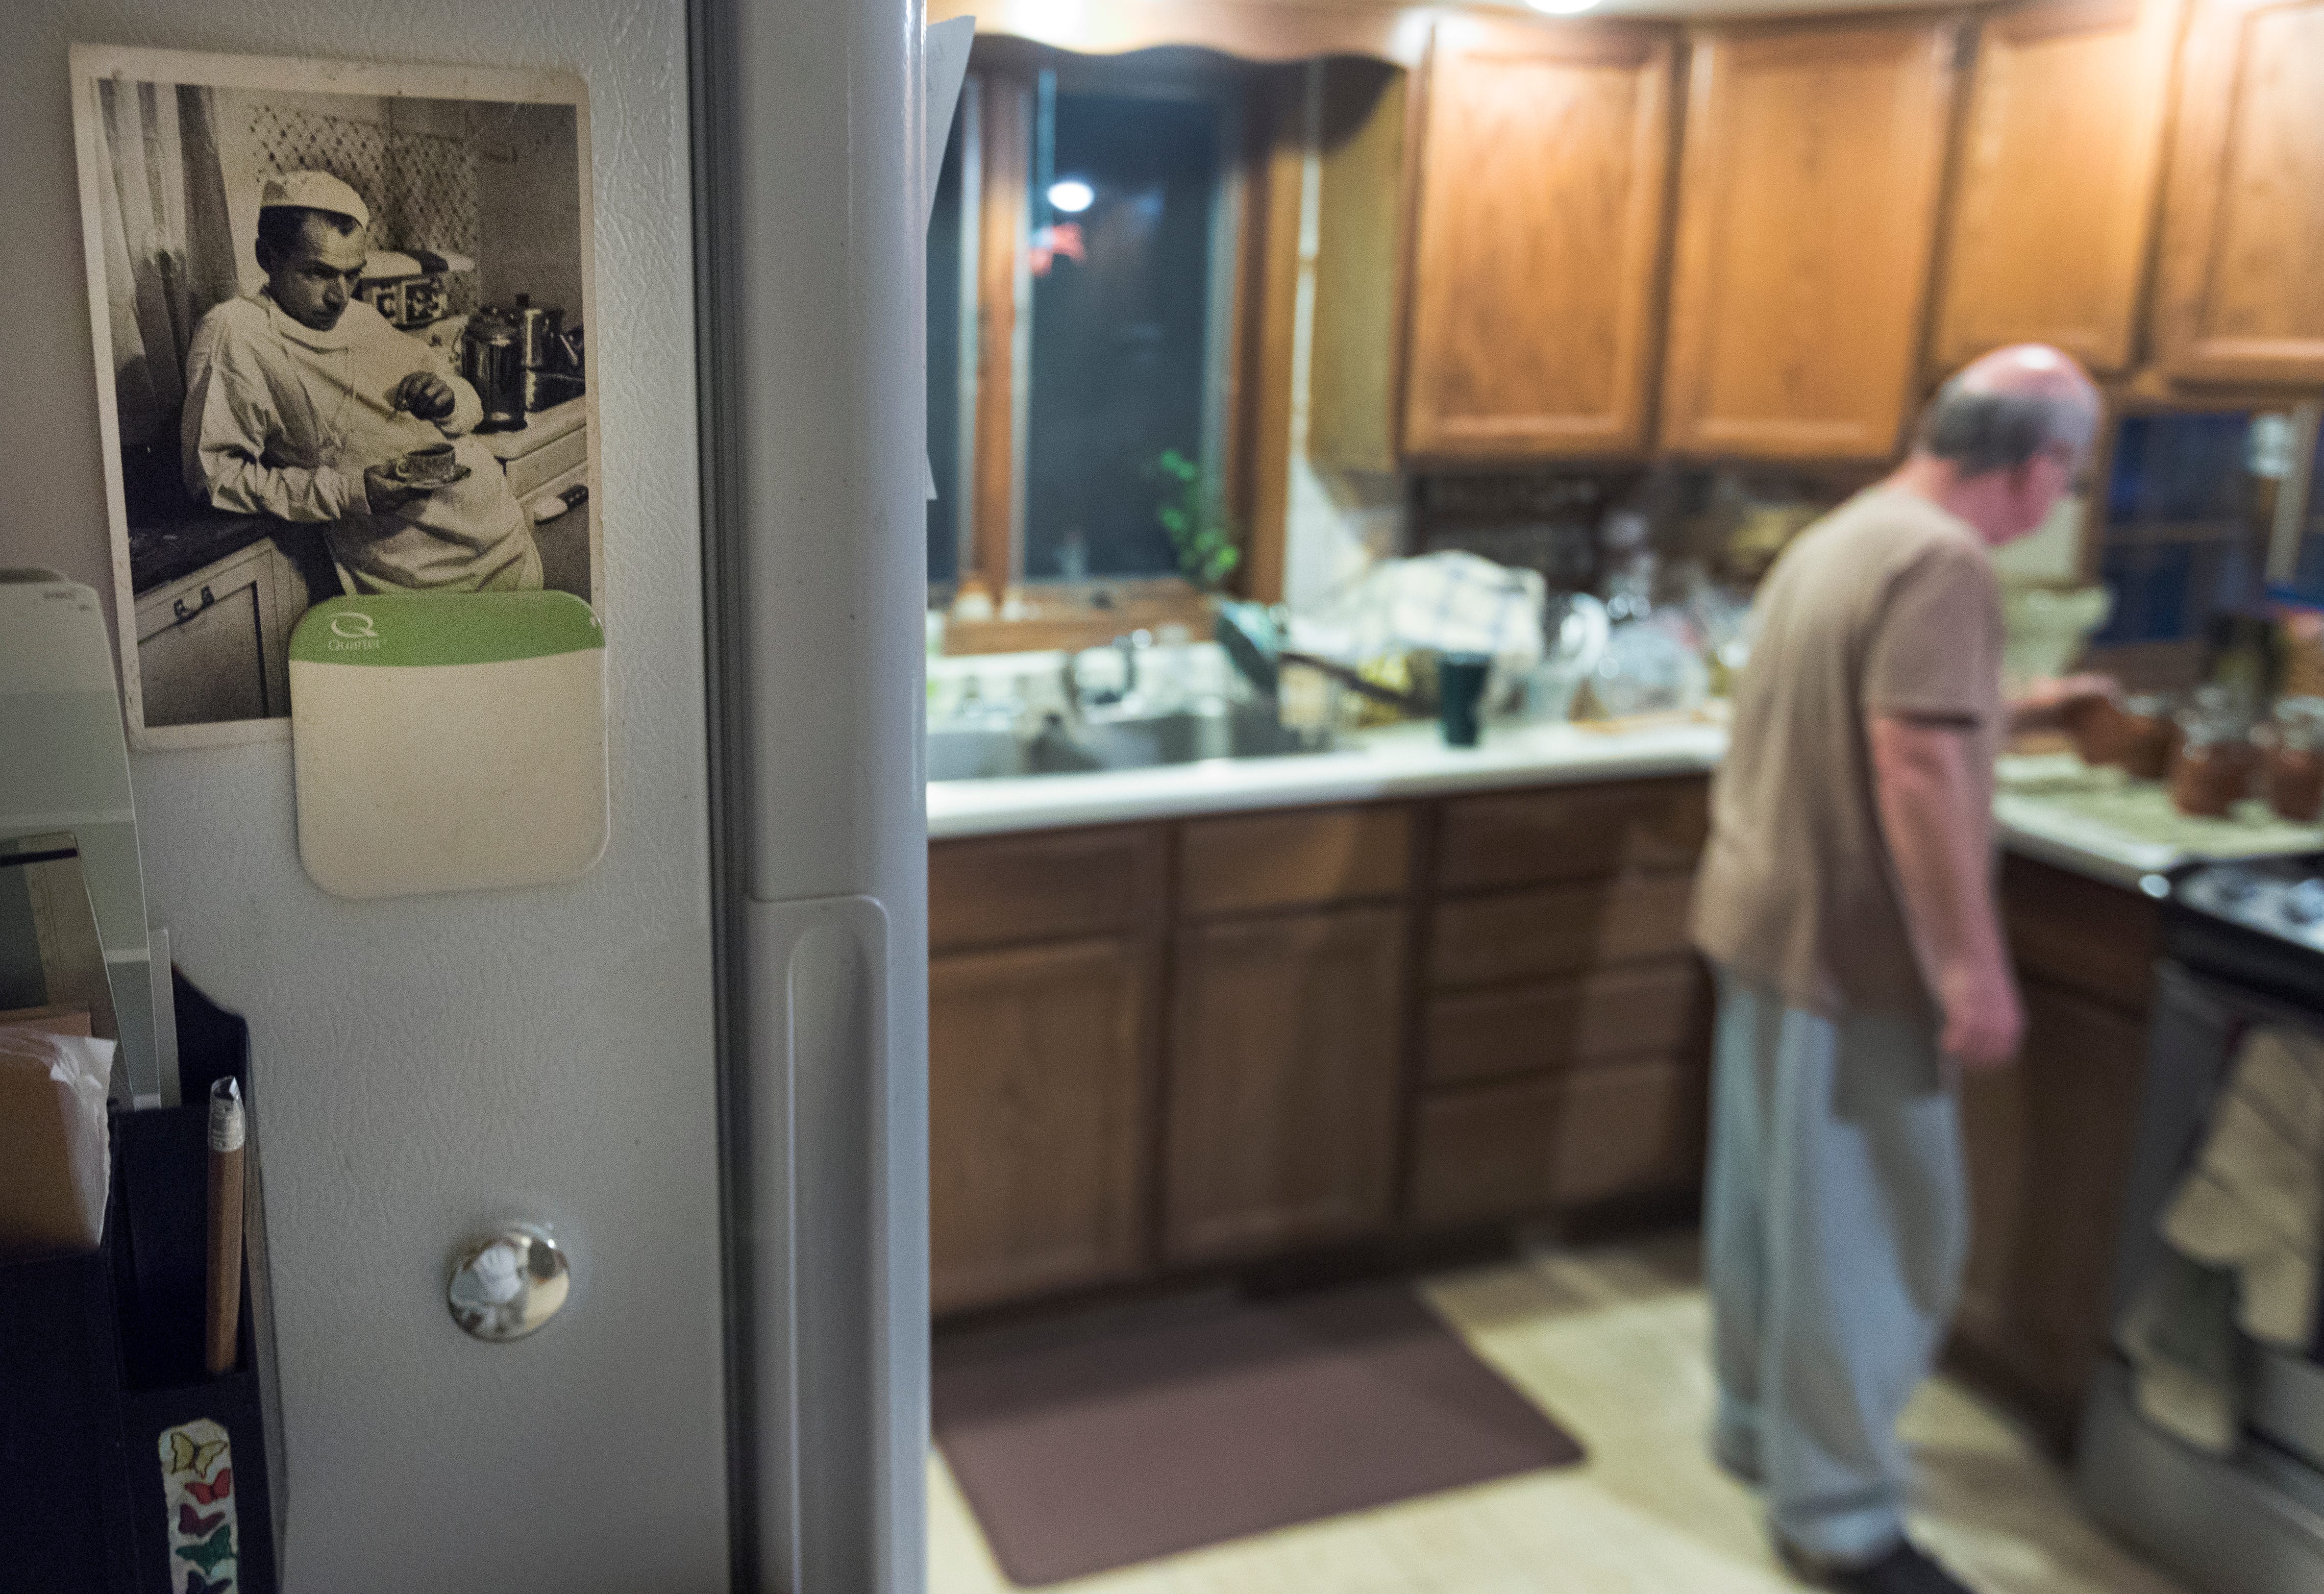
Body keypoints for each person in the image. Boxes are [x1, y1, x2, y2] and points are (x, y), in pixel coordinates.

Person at [1690, 344, 2106, 1594]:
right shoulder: (1943, 561)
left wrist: (2019, 706)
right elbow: (1911, 761)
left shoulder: (1850, 534)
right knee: (1867, 1233)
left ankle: (1758, 1433)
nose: (2062, 498)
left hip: (1764, 919)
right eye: (2069, 474)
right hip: (1853, 948)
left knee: (1774, 1212)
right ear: (2036, 468)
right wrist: (1971, 973)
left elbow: (1887, 703)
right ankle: (1843, 1520)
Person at [181, 170, 540, 594]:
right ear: (267, 256)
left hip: (505, 543)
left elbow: (467, 405)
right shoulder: (237, 331)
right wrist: (350, 493)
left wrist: (446, 399)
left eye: (353, 275)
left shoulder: (363, 319)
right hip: (424, 582)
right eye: (318, 273)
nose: (339, 296)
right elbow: (212, 475)